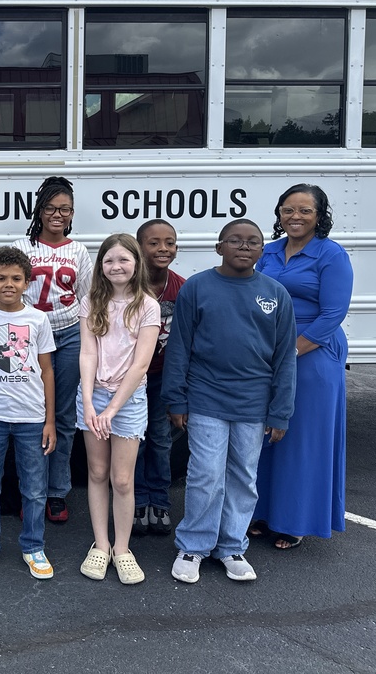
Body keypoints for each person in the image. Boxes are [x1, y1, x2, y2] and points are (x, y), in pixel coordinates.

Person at [163, 219, 296, 584]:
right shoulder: (197, 289)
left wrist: (280, 412)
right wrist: (176, 398)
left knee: (242, 477)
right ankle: (193, 545)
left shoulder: (275, 294)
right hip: (206, 396)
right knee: (206, 473)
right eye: (235, 240)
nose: (244, 246)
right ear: (219, 247)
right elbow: (179, 348)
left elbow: (284, 358)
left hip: (254, 403)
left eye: (253, 242)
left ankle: (231, 546)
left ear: (262, 250)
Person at [251, 184, 354, 550]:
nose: (295, 217)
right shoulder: (269, 251)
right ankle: (260, 513)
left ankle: (295, 522)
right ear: (279, 213)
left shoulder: (331, 255)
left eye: (305, 211)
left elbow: (332, 315)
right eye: (288, 209)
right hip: (270, 349)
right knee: (266, 436)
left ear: (319, 216)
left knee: (303, 438)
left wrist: (291, 352)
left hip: (313, 352)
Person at [0, 246, 57, 580]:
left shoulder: (38, 319)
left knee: (34, 488)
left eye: (16, 278)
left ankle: (33, 547)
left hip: (32, 418)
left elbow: (47, 371)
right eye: (1, 278)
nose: (8, 284)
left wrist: (50, 420)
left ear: (27, 282)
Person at [77, 234, 160, 585]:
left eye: (124, 259)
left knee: (122, 479)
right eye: (109, 260)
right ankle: (100, 544)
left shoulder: (147, 305)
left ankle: (122, 549)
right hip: (92, 397)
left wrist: (111, 409)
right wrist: (90, 401)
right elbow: (88, 353)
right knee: (96, 473)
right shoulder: (91, 301)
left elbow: (141, 365)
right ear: (101, 267)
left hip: (127, 402)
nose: (116, 266)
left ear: (136, 263)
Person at [11, 176, 93, 523]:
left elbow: (88, 297)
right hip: (30, 336)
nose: (57, 215)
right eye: (50, 208)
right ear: (39, 210)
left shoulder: (79, 251)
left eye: (64, 209)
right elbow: (9, 290)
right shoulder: (21, 247)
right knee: (29, 413)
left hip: (70, 334)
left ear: (72, 213)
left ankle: (57, 491)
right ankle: (30, 488)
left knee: (62, 415)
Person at [132, 219, 186, 537]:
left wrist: (181, 389)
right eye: (154, 243)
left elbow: (187, 342)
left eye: (170, 242)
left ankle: (159, 501)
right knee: (135, 442)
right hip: (131, 381)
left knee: (161, 441)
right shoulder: (127, 286)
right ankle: (138, 500)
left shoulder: (182, 287)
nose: (163, 248)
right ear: (139, 248)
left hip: (163, 379)